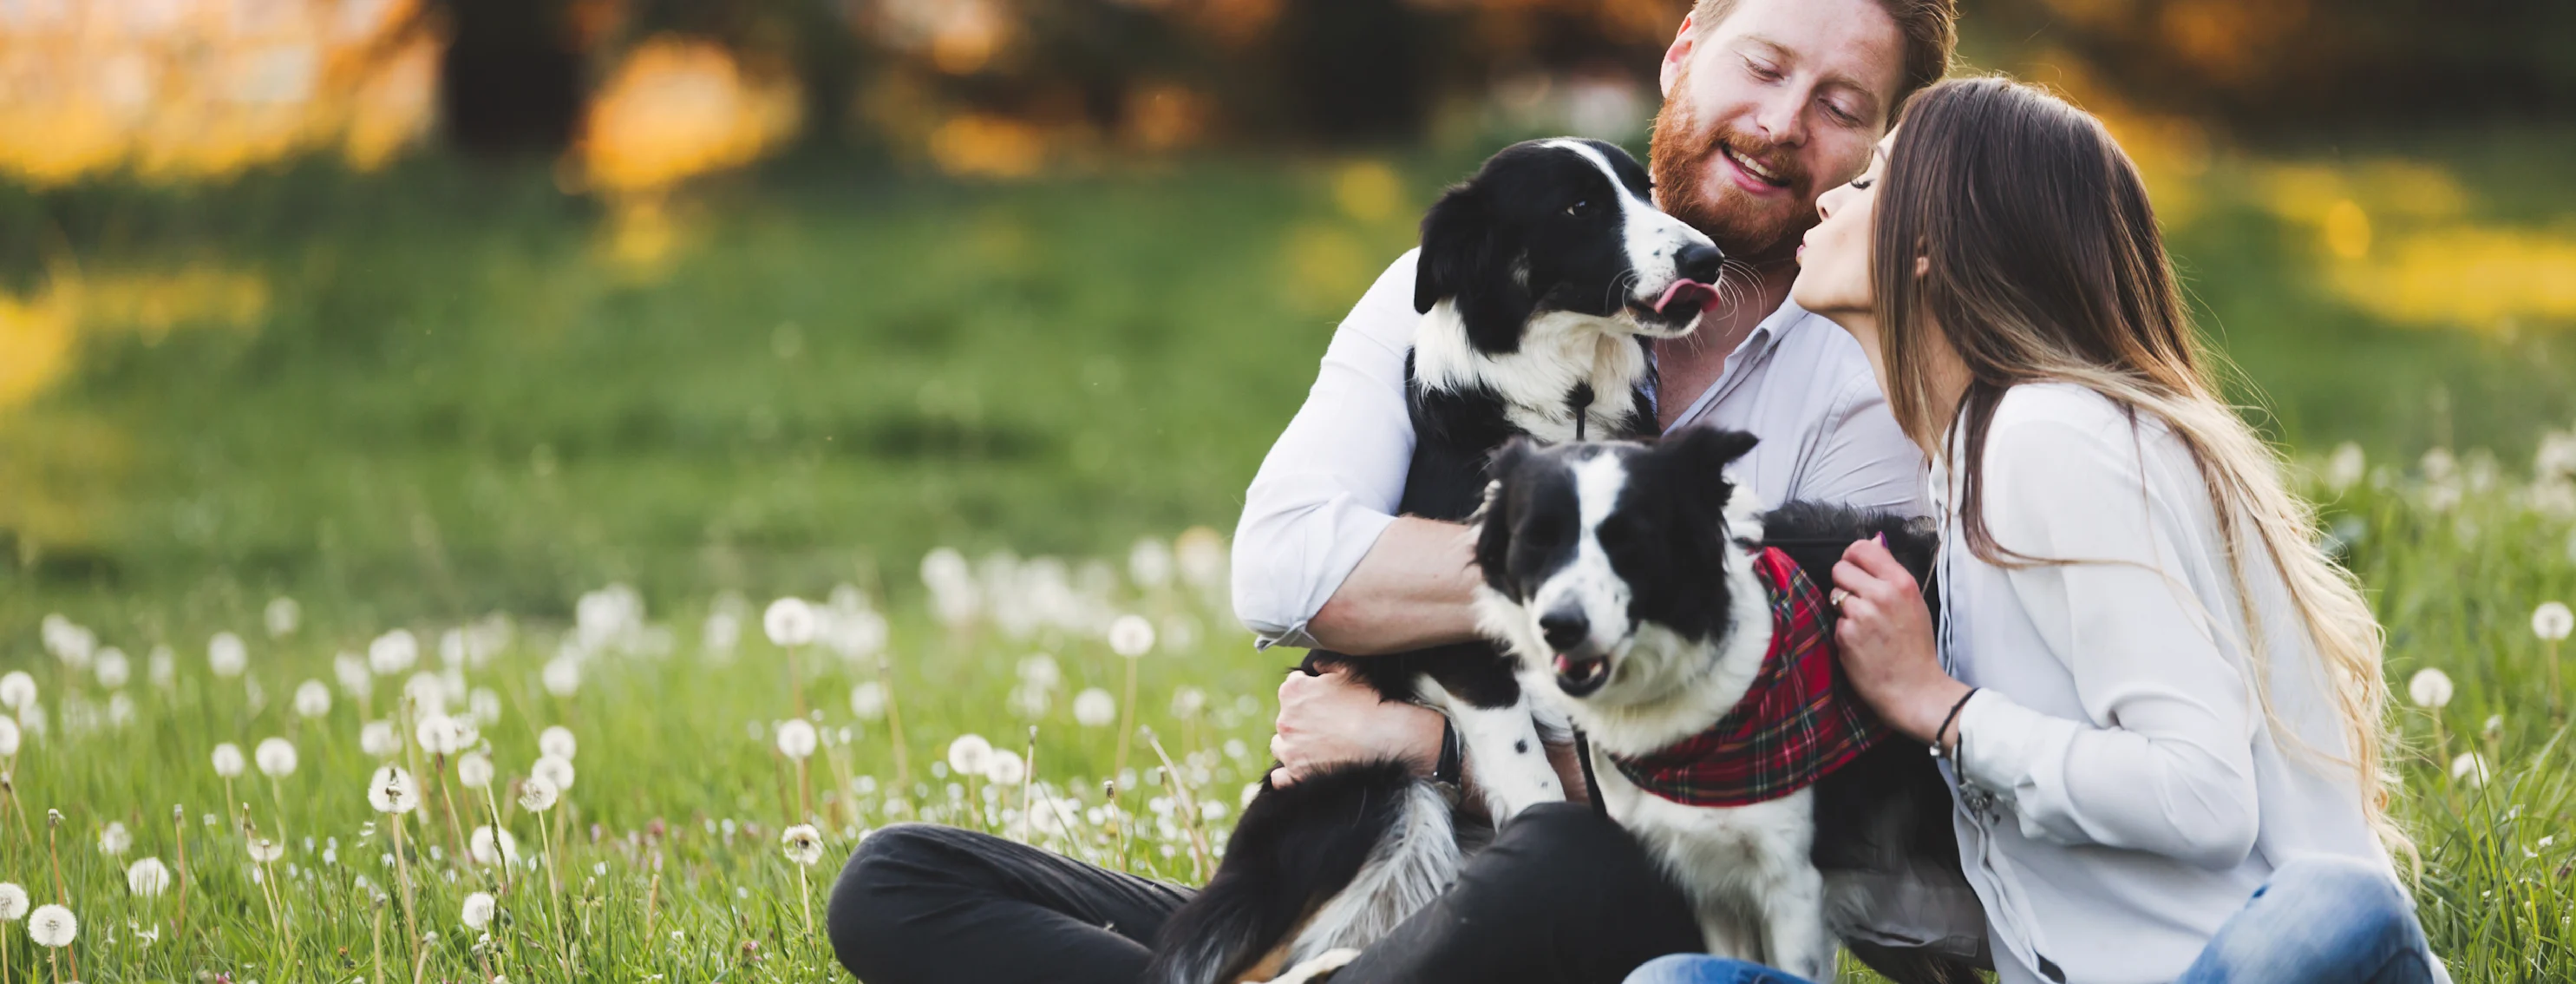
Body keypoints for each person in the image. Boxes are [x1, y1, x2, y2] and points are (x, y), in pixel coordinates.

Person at [826, 1, 1960, 982]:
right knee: (900, 877)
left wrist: (1433, 741)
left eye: (1839, 105)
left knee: (1574, 858)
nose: (1778, 123)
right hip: (1372, 876)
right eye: (1762, 68)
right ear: (1681, 53)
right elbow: (1284, 565)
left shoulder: (1867, 382)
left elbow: (1782, 758)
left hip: (1604, 896)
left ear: (1884, 146)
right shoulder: (1464, 285)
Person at [1631, 76, 2449, 984]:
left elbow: (2204, 798)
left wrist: (1942, 707)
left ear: (1930, 245)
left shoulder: (2052, 435)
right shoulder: (1960, 470)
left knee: (2336, 906)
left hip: (2262, 962)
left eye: (1870, 185)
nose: (1829, 195)